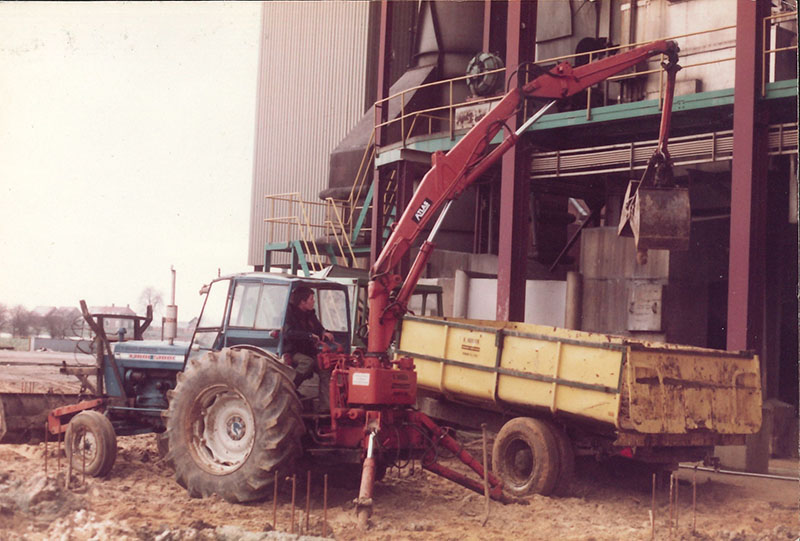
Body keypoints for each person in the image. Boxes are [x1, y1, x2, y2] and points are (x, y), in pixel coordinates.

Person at [283, 286, 334, 411]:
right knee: (307, 362)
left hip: (308, 351)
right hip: (293, 351)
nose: (314, 301)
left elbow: (318, 328)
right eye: (311, 299)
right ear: (302, 302)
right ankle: (288, 390)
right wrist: (309, 335)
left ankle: (325, 408)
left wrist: (324, 332)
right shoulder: (288, 314)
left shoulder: (310, 314)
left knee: (324, 367)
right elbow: (289, 333)